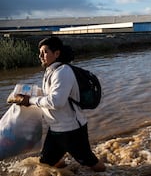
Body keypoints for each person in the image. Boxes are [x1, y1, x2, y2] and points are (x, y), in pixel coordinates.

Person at [13, 37, 106, 172]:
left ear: (56, 54)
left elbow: (56, 101)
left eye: (44, 52)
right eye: (40, 52)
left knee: (90, 162)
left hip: (72, 131)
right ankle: (69, 171)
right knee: (47, 162)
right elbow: (48, 95)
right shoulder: (51, 71)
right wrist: (28, 95)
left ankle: (113, 173)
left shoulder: (63, 72)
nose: (40, 56)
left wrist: (31, 100)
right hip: (56, 129)